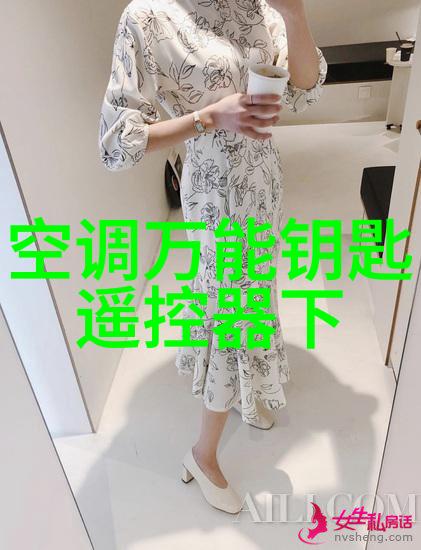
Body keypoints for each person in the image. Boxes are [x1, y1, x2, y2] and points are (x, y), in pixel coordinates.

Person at [99, 0, 327, 514]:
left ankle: (244, 392)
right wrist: (209, 118)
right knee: (230, 313)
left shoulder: (261, 8)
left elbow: (307, 89)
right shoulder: (150, 16)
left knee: (254, 298)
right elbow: (116, 143)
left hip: (263, 181)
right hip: (216, 191)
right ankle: (203, 455)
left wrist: (295, 15)